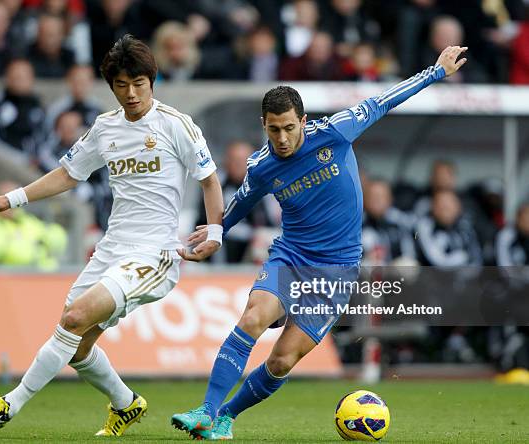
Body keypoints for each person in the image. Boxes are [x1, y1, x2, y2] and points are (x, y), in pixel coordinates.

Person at [171, 45, 468, 440]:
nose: (281, 137)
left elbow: (383, 100)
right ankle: (205, 410)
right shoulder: (262, 167)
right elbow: (239, 204)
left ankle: (226, 416)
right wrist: (214, 233)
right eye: (273, 129)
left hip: (337, 270)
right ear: (264, 125)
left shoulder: (336, 130)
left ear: (303, 121)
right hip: (291, 256)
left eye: (289, 128)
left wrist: (435, 71)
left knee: (281, 361)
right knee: (253, 318)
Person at [0, 34, 224, 437]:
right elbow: (68, 174)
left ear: (151, 81)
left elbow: (210, 180)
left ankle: (8, 404)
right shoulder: (105, 128)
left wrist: (216, 233)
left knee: (73, 318)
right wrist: (10, 199)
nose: (131, 93)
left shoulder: (176, 125)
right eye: (121, 85)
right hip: (111, 250)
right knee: (79, 346)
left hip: (154, 254)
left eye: (138, 83)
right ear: (111, 87)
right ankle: (126, 404)